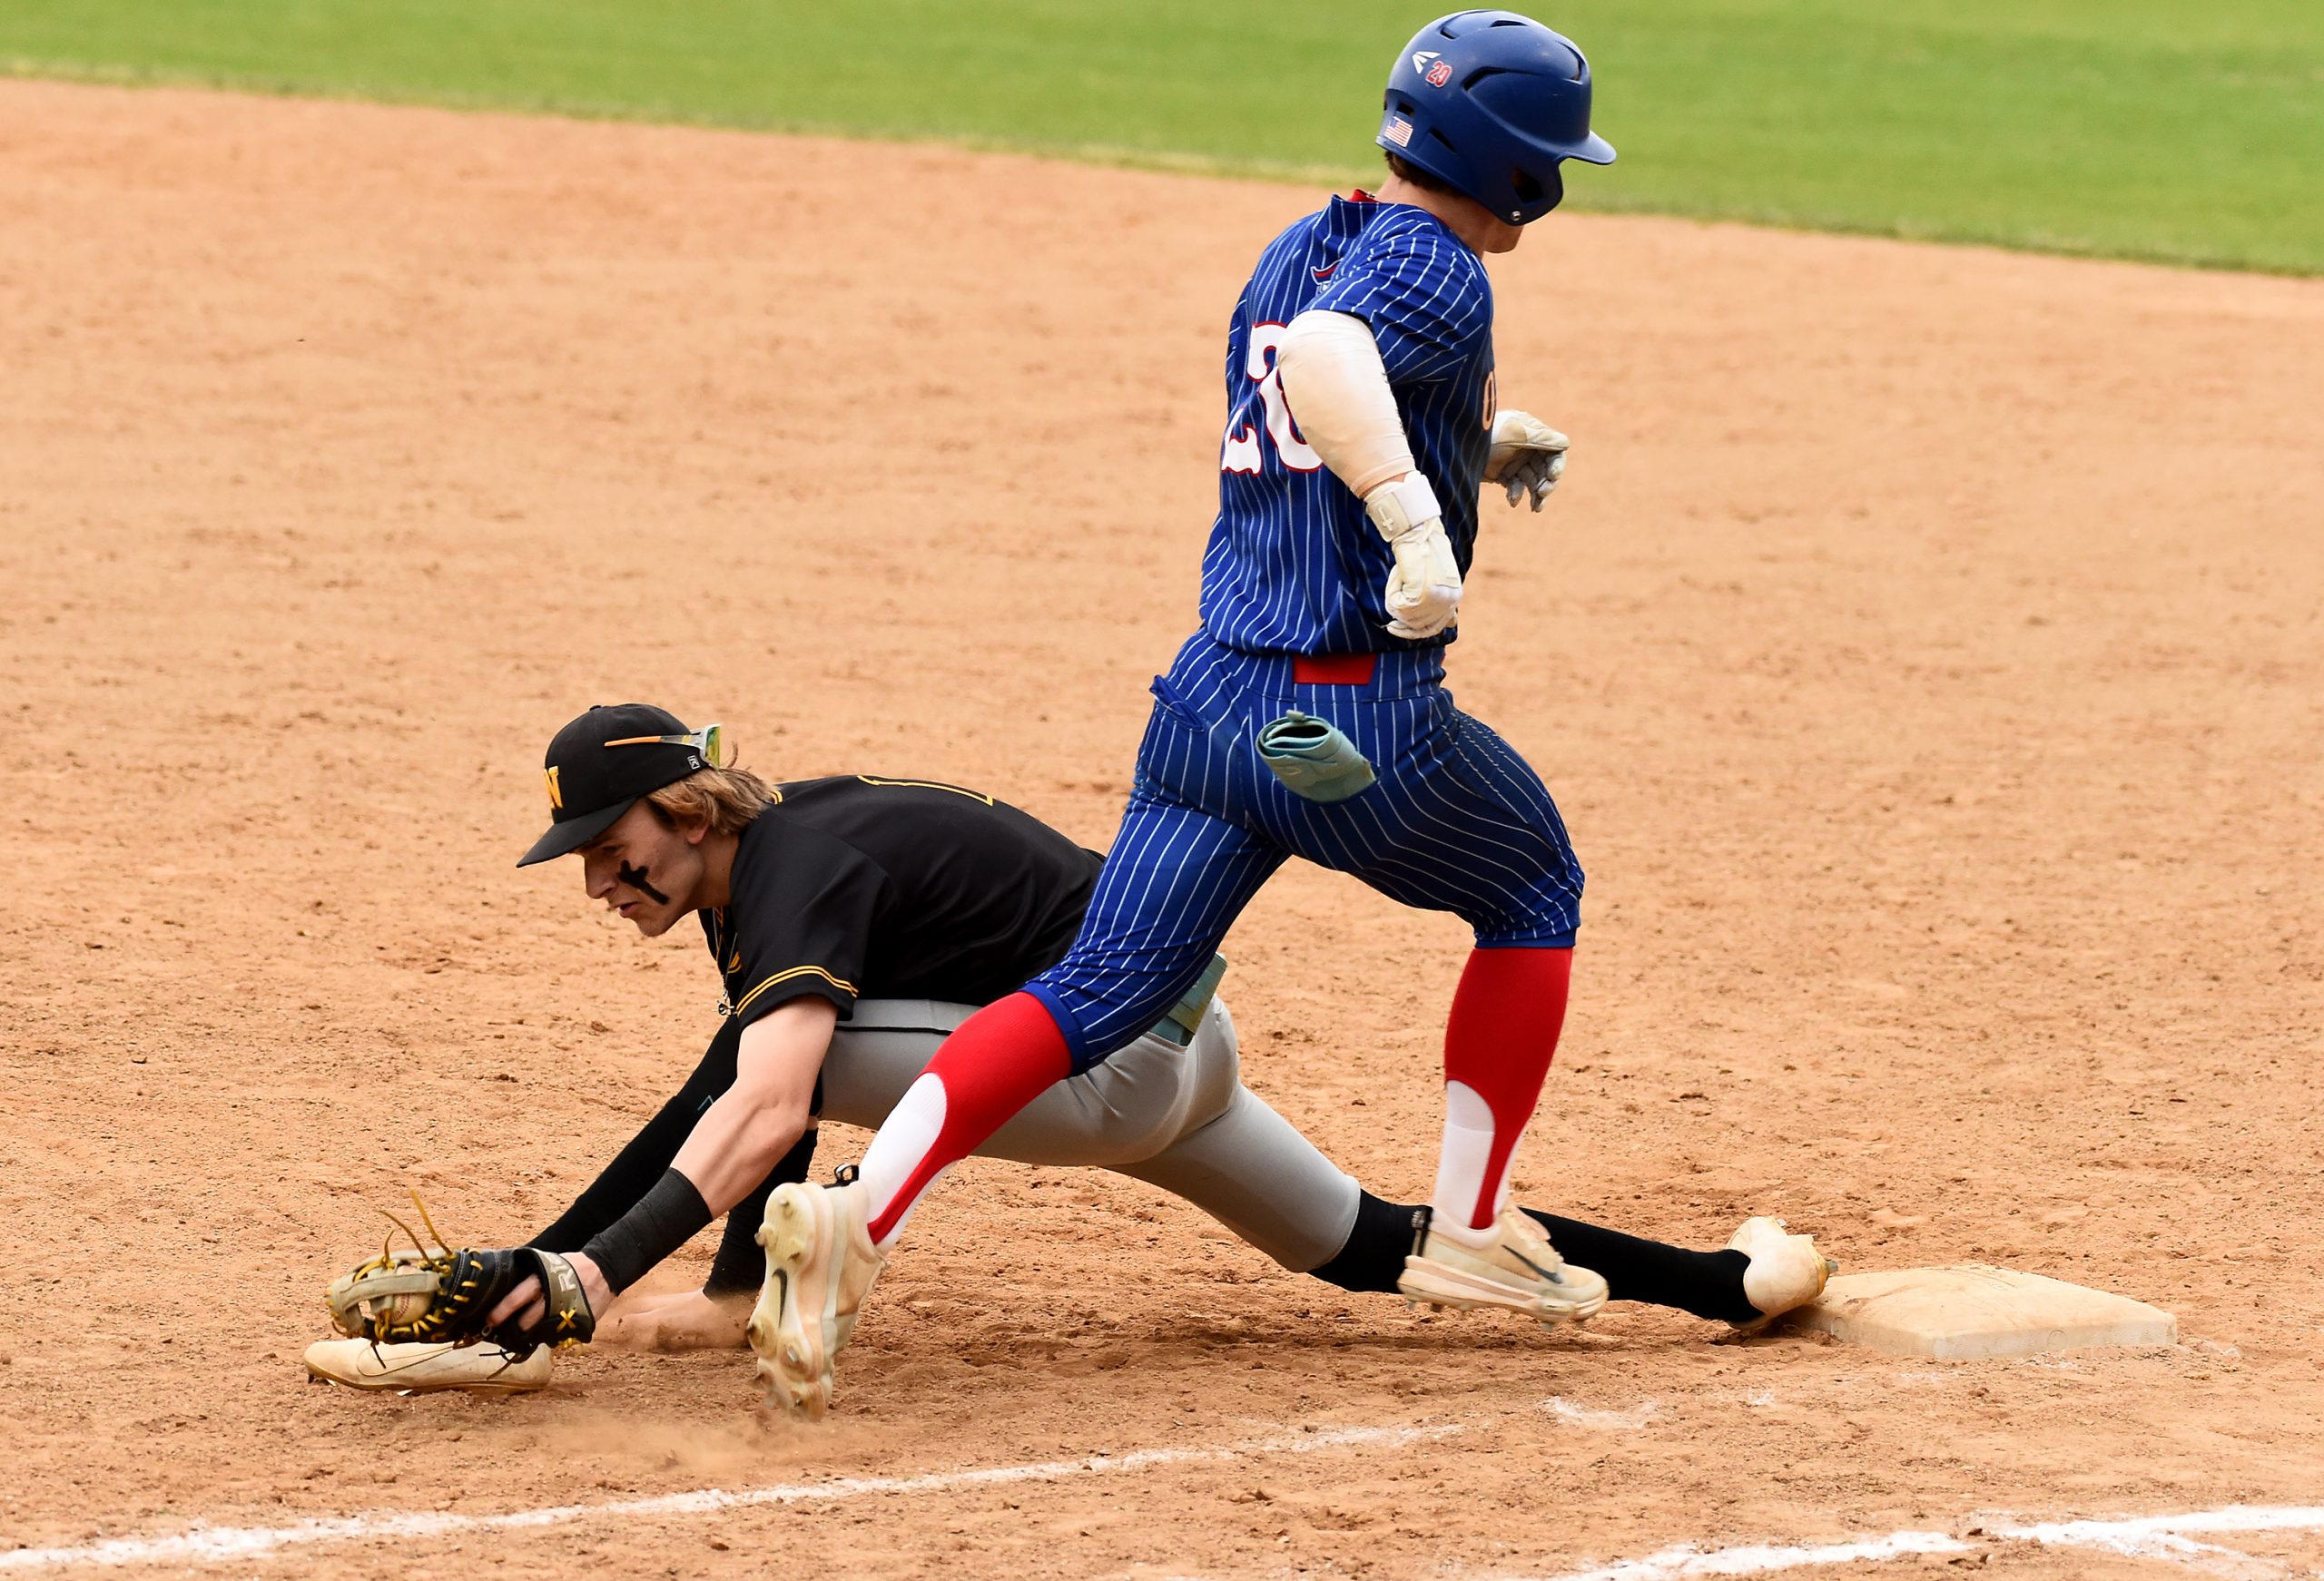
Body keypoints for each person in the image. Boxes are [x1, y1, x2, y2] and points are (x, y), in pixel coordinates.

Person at [754, 11, 1671, 1418]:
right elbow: (1332, 364)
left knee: (1097, 994)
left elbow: (1307, 390)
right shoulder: (1432, 264)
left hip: (1205, 707)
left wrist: (1470, 443)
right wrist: (1420, 526)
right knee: (1533, 880)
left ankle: (858, 1216)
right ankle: (1473, 1225)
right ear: (1516, 166)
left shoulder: (1305, 237)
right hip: (1344, 725)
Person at [303, 705, 1829, 1397]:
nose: (596, 876)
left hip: (1102, 1069)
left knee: (767, 1069)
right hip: (1180, 1061)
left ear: (691, 813)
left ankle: (672, 1281)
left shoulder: (790, 872)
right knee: (1373, 1245)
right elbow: (763, 1087)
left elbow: (766, 1097)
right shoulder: (789, 850)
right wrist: (621, 1262)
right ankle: (1728, 1281)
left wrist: (576, 1271)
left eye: (610, 841)